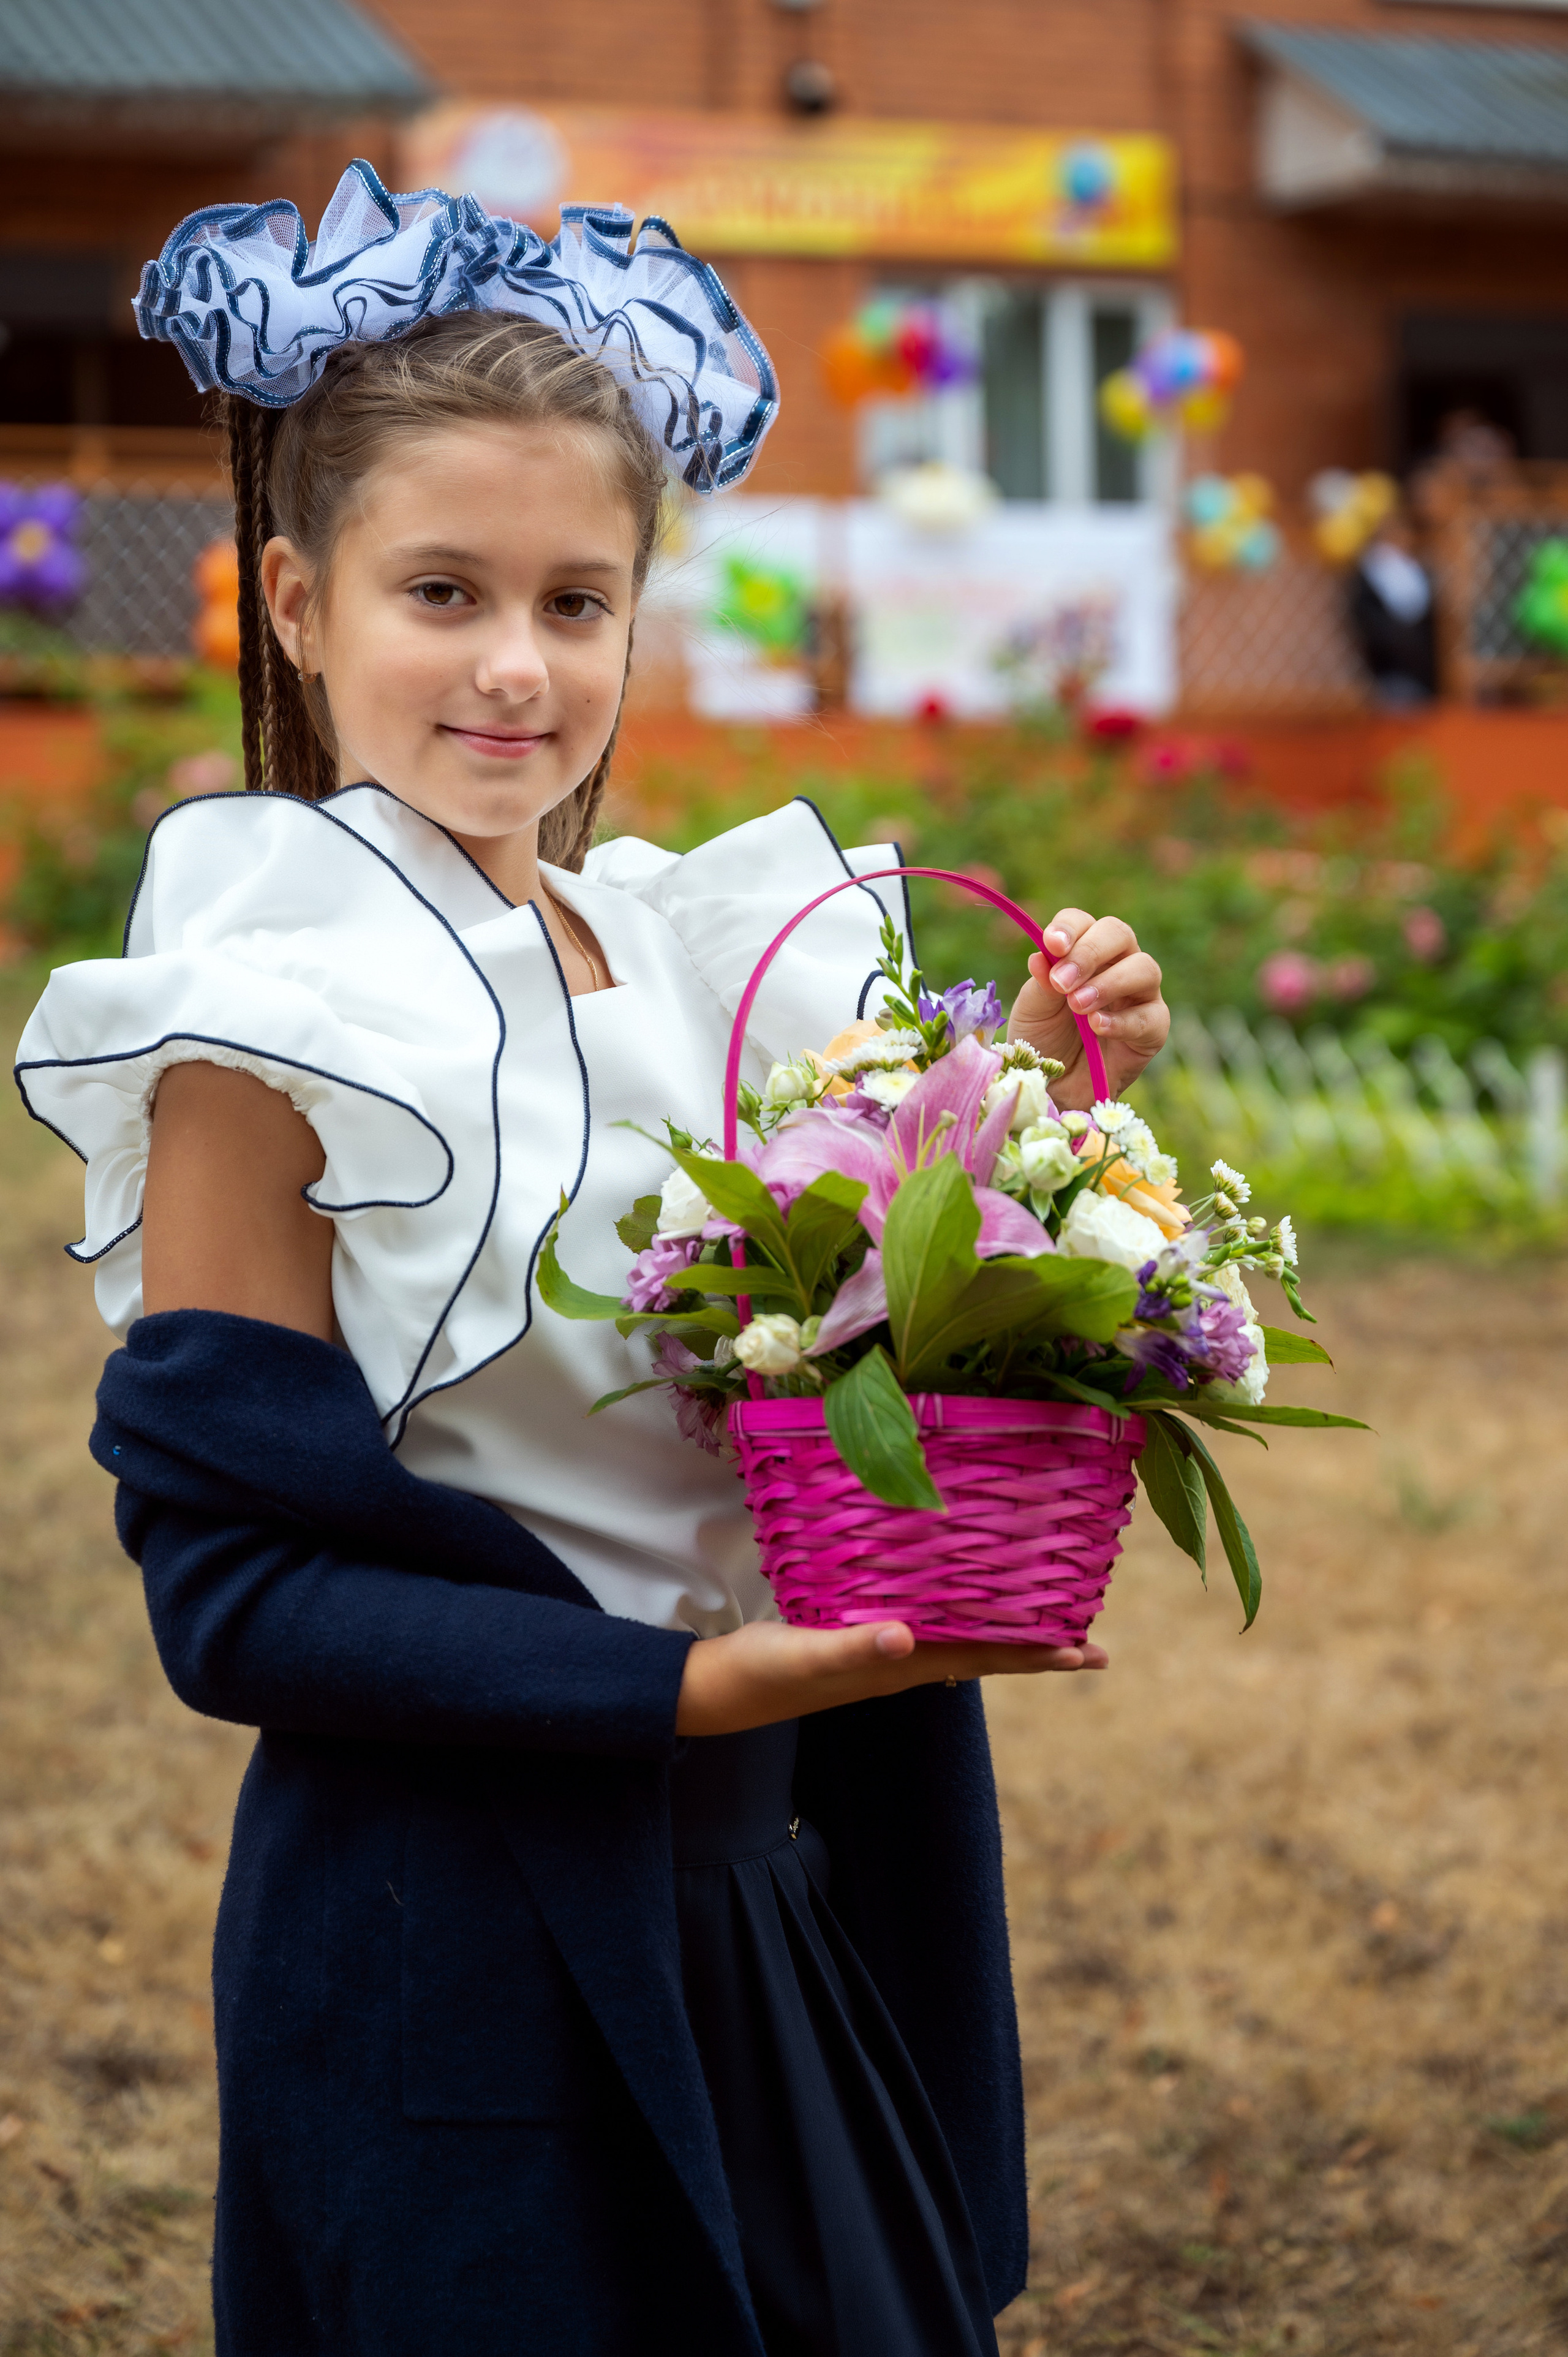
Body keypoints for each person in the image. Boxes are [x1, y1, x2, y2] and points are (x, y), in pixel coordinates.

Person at [13, 165, 1170, 2356]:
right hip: (460, 1920)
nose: (516, 667)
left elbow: (811, 1321)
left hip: (762, 1869)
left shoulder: (665, 941)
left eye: (577, 597)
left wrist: (1022, 1089)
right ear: (291, 596)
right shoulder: (264, 1024)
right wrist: (680, 1687)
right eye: (439, 589)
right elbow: (228, 1589)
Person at [1349, 510, 1439, 708]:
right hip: (1390, 670)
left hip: (1424, 671)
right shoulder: (1369, 573)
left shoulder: (1416, 569)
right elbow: (1370, 621)